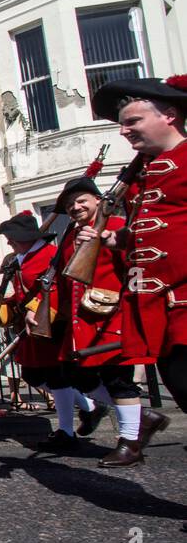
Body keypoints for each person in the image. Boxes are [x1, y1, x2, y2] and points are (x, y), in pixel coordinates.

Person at [79, 76, 187, 421]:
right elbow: (150, 234)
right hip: (160, 308)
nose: (124, 131)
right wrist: (113, 240)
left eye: (133, 121)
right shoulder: (143, 173)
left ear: (169, 115)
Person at [53, 177, 169, 466]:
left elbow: (138, 263)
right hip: (82, 320)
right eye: (70, 204)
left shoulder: (117, 228)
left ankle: (130, 444)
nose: (76, 206)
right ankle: (142, 417)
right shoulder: (70, 235)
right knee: (75, 375)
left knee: (119, 381)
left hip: (111, 314)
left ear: (97, 201)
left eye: (81, 200)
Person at [0, 210, 78, 428]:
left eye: (12, 237)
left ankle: (69, 429)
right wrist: (6, 307)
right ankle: (87, 410)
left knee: (58, 378)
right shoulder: (24, 258)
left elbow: (57, 288)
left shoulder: (50, 255)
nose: (9, 241)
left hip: (51, 323)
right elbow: (26, 291)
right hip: (34, 325)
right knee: (33, 375)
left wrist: (34, 308)